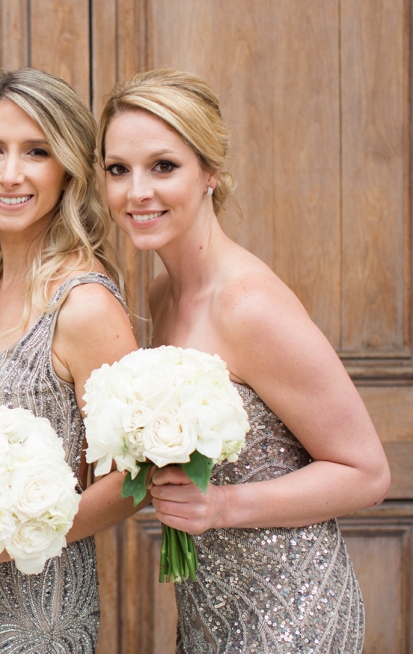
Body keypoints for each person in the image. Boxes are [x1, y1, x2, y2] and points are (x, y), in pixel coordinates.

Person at [98, 68, 391, 652]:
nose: (137, 191)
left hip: (292, 611)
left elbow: (367, 473)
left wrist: (225, 503)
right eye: (117, 169)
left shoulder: (248, 306)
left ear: (209, 172)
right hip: (211, 605)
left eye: (163, 166)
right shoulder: (161, 296)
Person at [0, 68, 139, 653]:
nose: (9, 174)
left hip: (40, 618)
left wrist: (22, 536)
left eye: (36, 152)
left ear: (67, 168)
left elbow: (135, 478)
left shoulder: (83, 305)